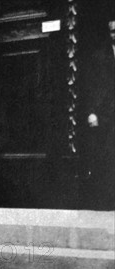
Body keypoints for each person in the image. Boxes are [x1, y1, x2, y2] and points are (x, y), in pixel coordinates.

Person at [81, 19, 115, 209]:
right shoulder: (99, 57)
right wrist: (92, 112)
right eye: (113, 31)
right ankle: (107, 202)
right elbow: (91, 87)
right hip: (106, 116)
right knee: (106, 157)